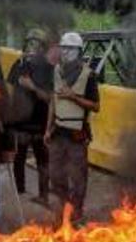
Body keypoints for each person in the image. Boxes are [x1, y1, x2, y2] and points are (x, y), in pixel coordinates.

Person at [44, 32, 100, 221]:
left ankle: (77, 212)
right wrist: (48, 128)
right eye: (63, 47)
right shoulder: (57, 71)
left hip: (77, 133)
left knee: (78, 177)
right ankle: (65, 206)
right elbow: (53, 100)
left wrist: (73, 97)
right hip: (58, 132)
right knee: (55, 174)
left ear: (78, 51)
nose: (65, 51)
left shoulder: (88, 75)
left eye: (70, 48)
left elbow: (96, 106)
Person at [6, 28, 57, 204]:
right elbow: (11, 92)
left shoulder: (50, 69)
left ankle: (44, 196)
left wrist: (32, 86)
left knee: (43, 159)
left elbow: (51, 98)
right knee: (18, 157)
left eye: (35, 43)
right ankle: (20, 192)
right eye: (29, 43)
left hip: (40, 123)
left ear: (42, 47)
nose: (31, 47)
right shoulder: (18, 64)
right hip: (20, 122)